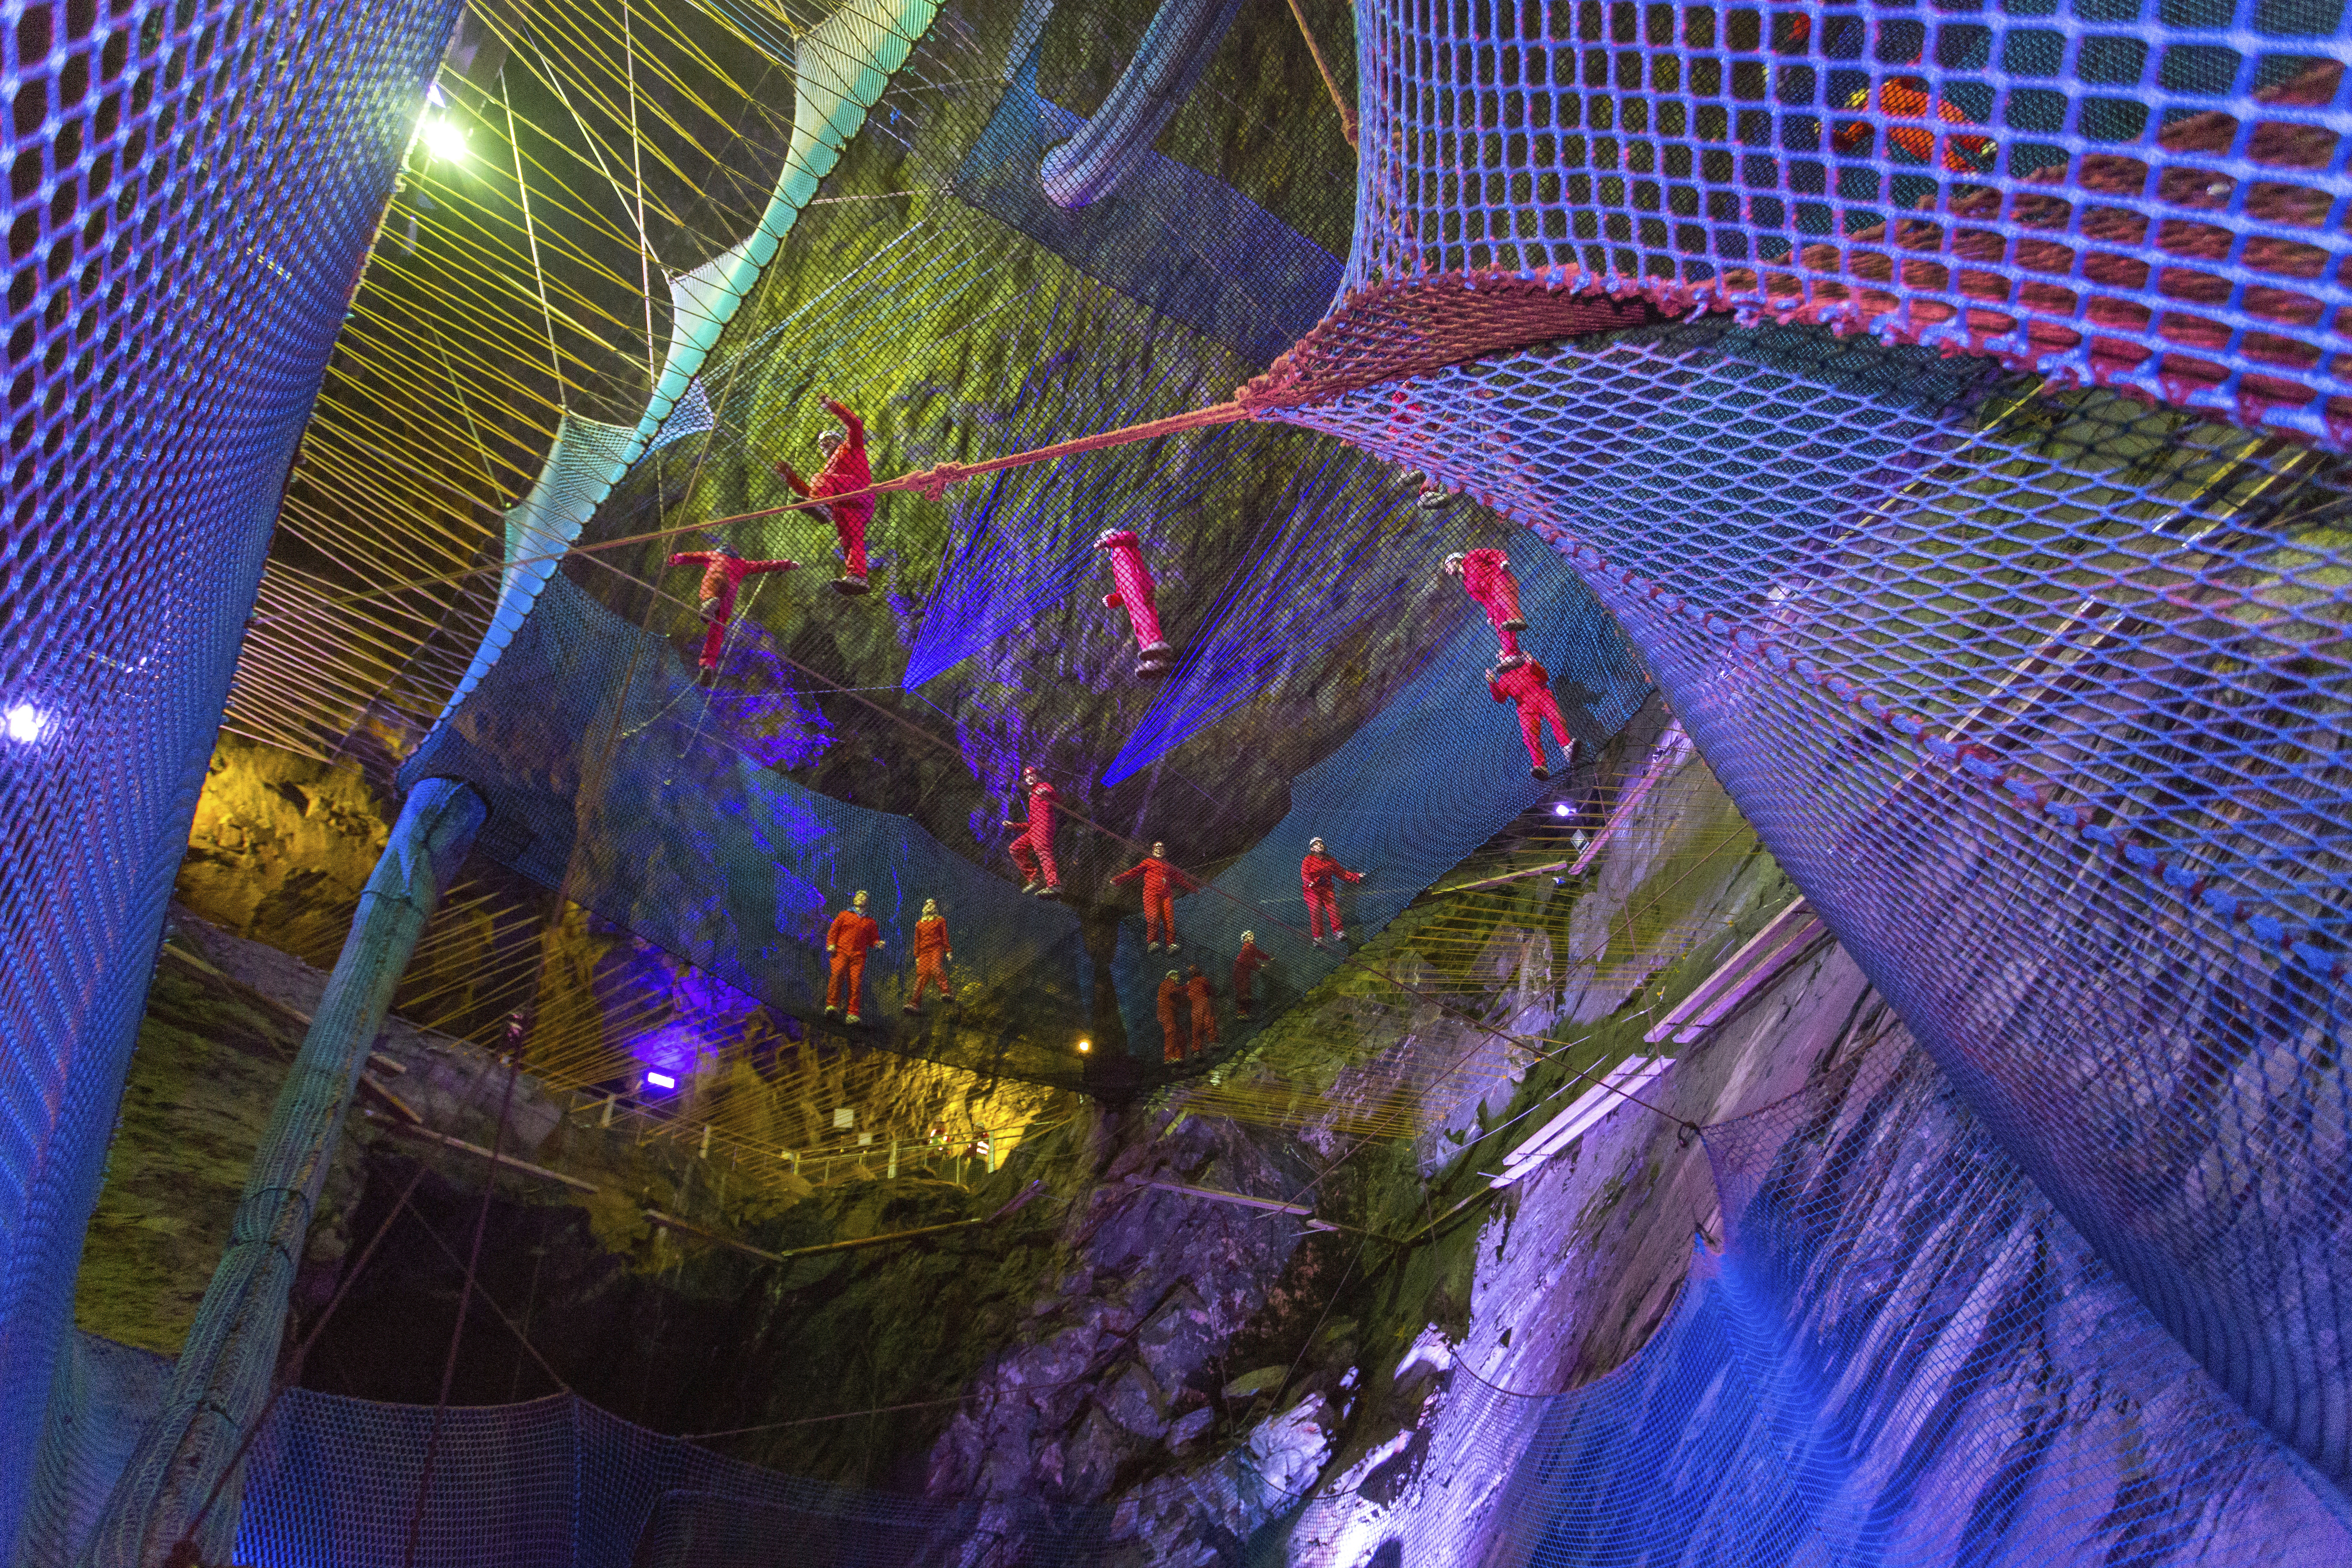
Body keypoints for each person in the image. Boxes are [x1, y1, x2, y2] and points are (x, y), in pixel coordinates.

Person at [775, 396, 874, 595]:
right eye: (821, 444)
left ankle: (824, 507)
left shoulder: (850, 447)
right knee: (850, 540)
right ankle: (859, 577)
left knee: (819, 480)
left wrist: (831, 405)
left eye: (828, 440)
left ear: (839, 440)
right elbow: (808, 494)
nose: (824, 445)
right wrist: (789, 476)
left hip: (858, 491)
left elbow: (855, 424)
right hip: (845, 507)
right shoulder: (827, 474)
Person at [666, 548, 798, 675]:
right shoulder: (742, 564)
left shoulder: (714, 555)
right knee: (718, 628)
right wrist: (788, 565)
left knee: (709, 592)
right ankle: (708, 664)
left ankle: (708, 603)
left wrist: (675, 558)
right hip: (729, 591)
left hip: (715, 580)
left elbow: (692, 557)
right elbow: (764, 565)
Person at [1096, 528, 1175, 676]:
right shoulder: (1115, 563)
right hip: (1130, 596)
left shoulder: (1125, 545)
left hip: (1139, 585)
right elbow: (1121, 588)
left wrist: (1106, 541)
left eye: (1107, 543)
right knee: (1138, 625)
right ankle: (1154, 661)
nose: (1106, 549)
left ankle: (1157, 642)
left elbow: (1130, 536)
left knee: (1145, 616)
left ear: (1112, 537)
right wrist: (1113, 599)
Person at [1489, 650, 1574, 780]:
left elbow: (1544, 677)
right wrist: (1493, 683)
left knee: (1556, 717)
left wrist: (1533, 664)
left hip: (1541, 695)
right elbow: (1501, 699)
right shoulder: (1504, 678)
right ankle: (1540, 766)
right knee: (1529, 734)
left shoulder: (1526, 664)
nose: (1502, 658)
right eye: (1500, 657)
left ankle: (1567, 747)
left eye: (1503, 655)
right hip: (1525, 707)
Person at [1109, 840, 1201, 952]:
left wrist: (1193, 889)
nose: (1159, 849)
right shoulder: (1148, 862)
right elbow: (1134, 872)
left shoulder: (1168, 866)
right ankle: (1153, 942)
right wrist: (1118, 880)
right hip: (1151, 893)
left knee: (1169, 919)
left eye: (1161, 848)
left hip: (1166, 894)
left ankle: (1171, 944)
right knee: (1153, 917)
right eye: (1157, 848)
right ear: (1153, 851)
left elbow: (1180, 879)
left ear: (1164, 851)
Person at [1443, 550, 1528, 657]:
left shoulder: (1472, 556)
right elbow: (1485, 600)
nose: (1446, 570)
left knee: (1503, 597)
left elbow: (1494, 553)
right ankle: (1512, 654)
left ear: (1454, 561)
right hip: (1493, 597)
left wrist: (1503, 561)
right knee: (1500, 624)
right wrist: (1491, 615)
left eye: (1447, 566)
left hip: (1501, 578)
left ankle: (1517, 618)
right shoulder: (1467, 583)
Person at [824, 890, 884, 1023]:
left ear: (867, 902)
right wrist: (831, 944)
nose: (860, 898)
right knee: (837, 975)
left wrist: (877, 943)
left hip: (858, 955)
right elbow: (834, 931)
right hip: (841, 951)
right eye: (858, 896)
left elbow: (873, 939)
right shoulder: (844, 915)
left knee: (855, 982)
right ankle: (832, 1005)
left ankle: (853, 1012)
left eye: (863, 897)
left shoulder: (870, 921)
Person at [1005, 764, 1063, 898]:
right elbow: (1030, 824)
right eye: (1027, 777)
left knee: (1043, 852)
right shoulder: (1032, 796)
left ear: (1037, 776)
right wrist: (1014, 826)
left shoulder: (1044, 786)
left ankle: (1054, 885)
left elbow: (1057, 799)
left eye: (1032, 775)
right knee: (1015, 849)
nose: (1030, 778)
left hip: (1044, 827)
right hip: (1035, 829)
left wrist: (1047, 793)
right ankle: (1035, 879)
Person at [1300, 837, 1362, 949]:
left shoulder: (1330, 860)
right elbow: (1305, 874)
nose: (1319, 846)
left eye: (1321, 844)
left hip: (1326, 889)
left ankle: (1338, 932)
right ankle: (1318, 937)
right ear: (1312, 849)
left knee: (1333, 908)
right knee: (1315, 909)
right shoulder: (1308, 860)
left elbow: (1341, 873)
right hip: (1312, 891)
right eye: (1316, 845)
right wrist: (1309, 882)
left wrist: (1355, 876)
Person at [906, 897, 952, 1014]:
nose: (930, 906)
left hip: (936, 948)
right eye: (928, 904)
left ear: (935, 908)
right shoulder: (920, 923)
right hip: (923, 952)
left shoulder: (940, 920)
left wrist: (948, 950)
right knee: (922, 975)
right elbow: (917, 940)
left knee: (936, 969)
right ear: (924, 907)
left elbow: (944, 936)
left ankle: (946, 992)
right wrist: (917, 956)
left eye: (932, 905)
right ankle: (914, 1003)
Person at [1232, 931, 1274, 1020]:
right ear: (1245, 939)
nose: (1252, 936)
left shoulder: (1249, 947)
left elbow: (1257, 954)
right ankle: (1242, 1012)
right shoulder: (1248, 947)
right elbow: (1251, 960)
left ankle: (1243, 1012)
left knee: (1244, 990)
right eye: (1249, 935)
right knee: (1244, 990)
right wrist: (1261, 966)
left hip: (1241, 971)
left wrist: (1267, 958)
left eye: (1252, 935)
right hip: (1241, 970)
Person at [1185, 965, 1217, 1055]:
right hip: (1204, 1002)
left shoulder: (1190, 984)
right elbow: (1209, 990)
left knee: (1197, 1028)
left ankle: (1197, 1050)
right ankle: (1213, 1042)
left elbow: (1184, 991)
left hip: (1195, 1007)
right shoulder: (1203, 980)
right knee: (1210, 1022)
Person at [1156, 970, 1185, 1063]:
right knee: (1171, 1032)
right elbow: (1172, 992)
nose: (1179, 979)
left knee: (1177, 1033)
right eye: (1177, 977)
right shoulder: (1168, 983)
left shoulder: (1169, 985)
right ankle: (1169, 1057)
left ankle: (1178, 1056)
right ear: (1172, 976)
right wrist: (1184, 988)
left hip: (1171, 1012)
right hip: (1167, 1012)